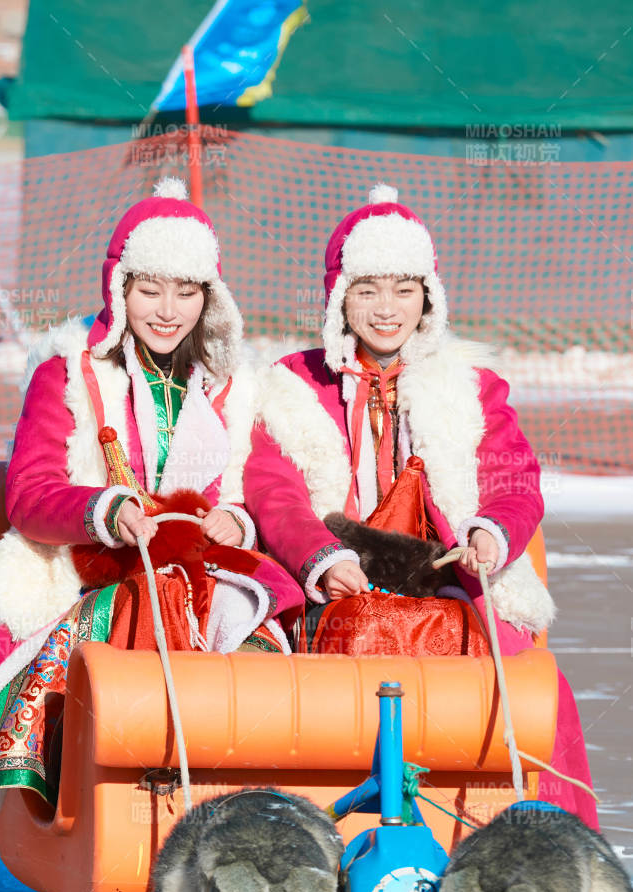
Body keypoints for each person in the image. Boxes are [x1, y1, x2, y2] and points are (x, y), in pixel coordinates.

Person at [0, 178, 302, 830]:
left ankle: (244, 811)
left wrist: (234, 519)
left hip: (211, 575)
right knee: (135, 627)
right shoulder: (68, 372)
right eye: (150, 288)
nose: (167, 309)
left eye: (186, 290)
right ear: (119, 286)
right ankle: (125, 811)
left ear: (209, 295)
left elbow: (249, 490)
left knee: (269, 661)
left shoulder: (236, 385)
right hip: (95, 573)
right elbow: (31, 494)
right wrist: (108, 509)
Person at [243, 184, 598, 828]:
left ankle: (553, 846)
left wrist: (491, 532)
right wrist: (320, 558)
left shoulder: (469, 386)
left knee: (538, 688)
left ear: (427, 297)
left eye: (404, 290)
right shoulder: (290, 386)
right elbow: (274, 489)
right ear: (338, 298)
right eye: (367, 290)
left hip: (446, 581)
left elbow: (514, 480)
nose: (386, 310)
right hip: (330, 585)